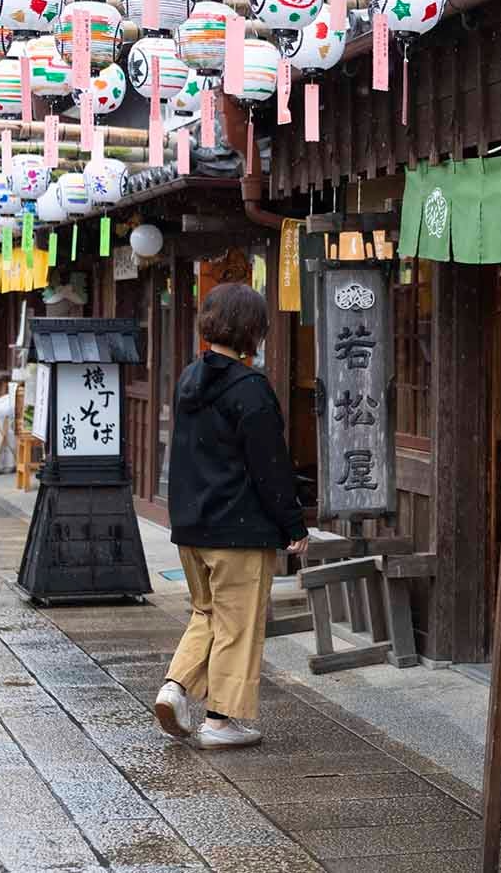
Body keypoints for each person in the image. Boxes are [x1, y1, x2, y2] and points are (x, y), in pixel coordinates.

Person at [156, 283, 309, 749]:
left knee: (208, 613)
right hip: (238, 527)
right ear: (252, 330)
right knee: (239, 624)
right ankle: (221, 721)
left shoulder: (189, 379)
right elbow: (270, 466)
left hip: (191, 526)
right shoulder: (250, 388)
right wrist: (292, 524)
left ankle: (175, 686)